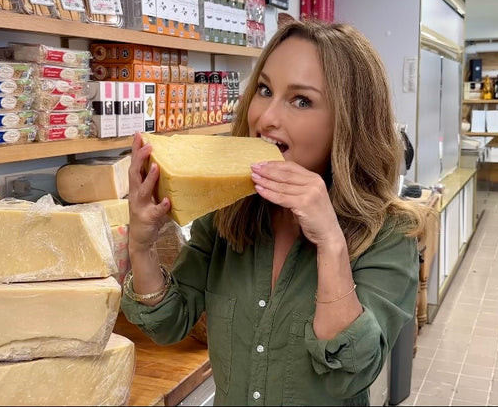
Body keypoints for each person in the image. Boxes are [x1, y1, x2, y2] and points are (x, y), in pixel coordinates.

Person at [121, 21, 425, 406]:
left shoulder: (389, 232)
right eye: (264, 90)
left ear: (349, 122)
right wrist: (143, 244)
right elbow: (169, 323)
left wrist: (331, 243)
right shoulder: (228, 210)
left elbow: (349, 374)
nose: (265, 118)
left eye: (301, 100)